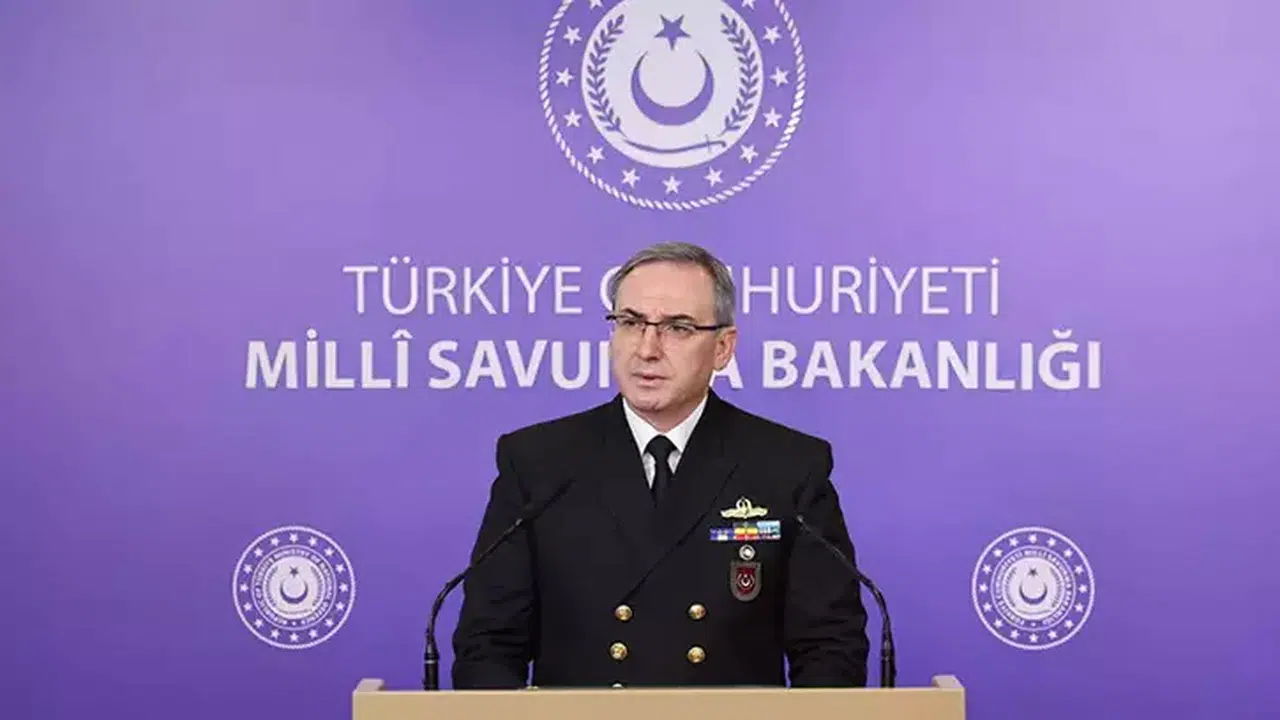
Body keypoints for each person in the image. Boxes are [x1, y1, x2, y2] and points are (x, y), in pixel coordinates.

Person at [451, 241, 870, 689]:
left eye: (678, 328)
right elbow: (487, 647)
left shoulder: (786, 466)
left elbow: (831, 649)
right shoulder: (539, 463)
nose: (647, 349)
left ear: (723, 348)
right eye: (631, 323)